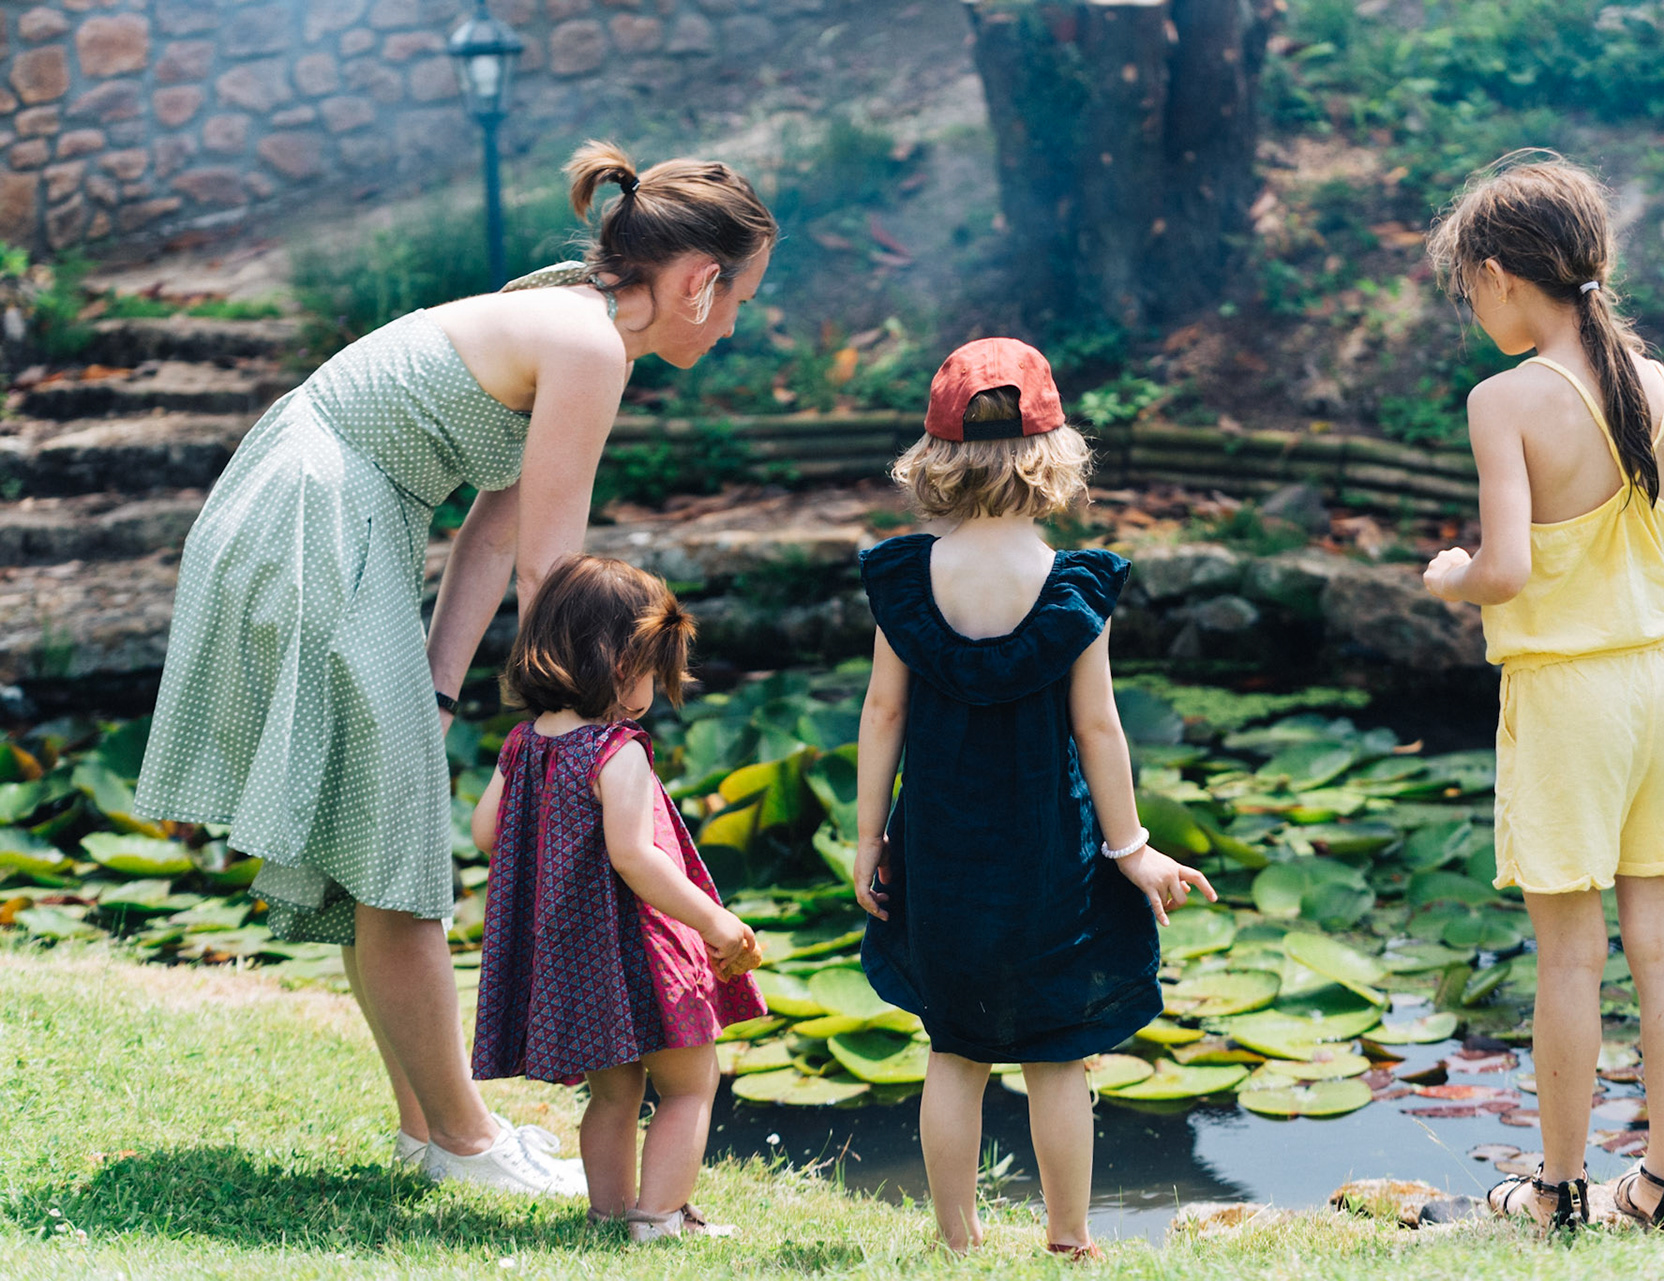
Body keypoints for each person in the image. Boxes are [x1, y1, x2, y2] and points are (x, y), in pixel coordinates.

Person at [134, 139, 776, 1193]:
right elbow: (552, 571)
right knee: (394, 853)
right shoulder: (591, 344)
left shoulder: (579, 313)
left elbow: (493, 529)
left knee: (374, 845)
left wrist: (438, 691)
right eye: (739, 300)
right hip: (319, 516)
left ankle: (427, 1130)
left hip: (322, 502)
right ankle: (466, 1142)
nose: (733, 325)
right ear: (701, 281)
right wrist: (585, 729)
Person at [1420, 152, 1664, 1235]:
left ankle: (1557, 1191)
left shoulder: (1506, 400)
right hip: (1661, 690)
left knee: (1570, 953)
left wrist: (1453, 574)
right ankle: (1662, 1186)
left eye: (1468, 286)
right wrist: (1644, 536)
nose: (1472, 307)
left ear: (1501, 274)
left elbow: (1507, 568)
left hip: (1569, 699)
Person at [852, 338, 1217, 1258]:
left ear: (934, 456)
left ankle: (956, 1241)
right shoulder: (1071, 587)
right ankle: (1068, 1238)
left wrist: (867, 840)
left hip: (940, 851)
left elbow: (883, 713)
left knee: (955, 1050)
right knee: (1057, 1055)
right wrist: (1131, 847)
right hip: (1050, 853)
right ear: (1055, 455)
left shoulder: (906, 581)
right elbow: (1098, 728)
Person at [469, 554, 765, 1241]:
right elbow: (635, 857)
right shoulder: (615, 748)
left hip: (578, 960)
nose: (653, 690)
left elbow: (486, 831)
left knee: (613, 1094)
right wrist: (715, 920)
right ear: (622, 664)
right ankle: (658, 1218)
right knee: (689, 1085)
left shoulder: (523, 743)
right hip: (643, 953)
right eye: (653, 673)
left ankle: (607, 1215)